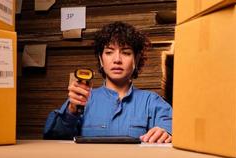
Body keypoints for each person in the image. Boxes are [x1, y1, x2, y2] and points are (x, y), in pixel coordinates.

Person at [44, 21, 172, 143]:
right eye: (109, 52)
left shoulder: (151, 101)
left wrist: (166, 132)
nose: (117, 59)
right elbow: (53, 138)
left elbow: (175, 126)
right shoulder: (82, 98)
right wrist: (71, 111)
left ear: (136, 59)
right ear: (101, 59)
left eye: (126, 53)